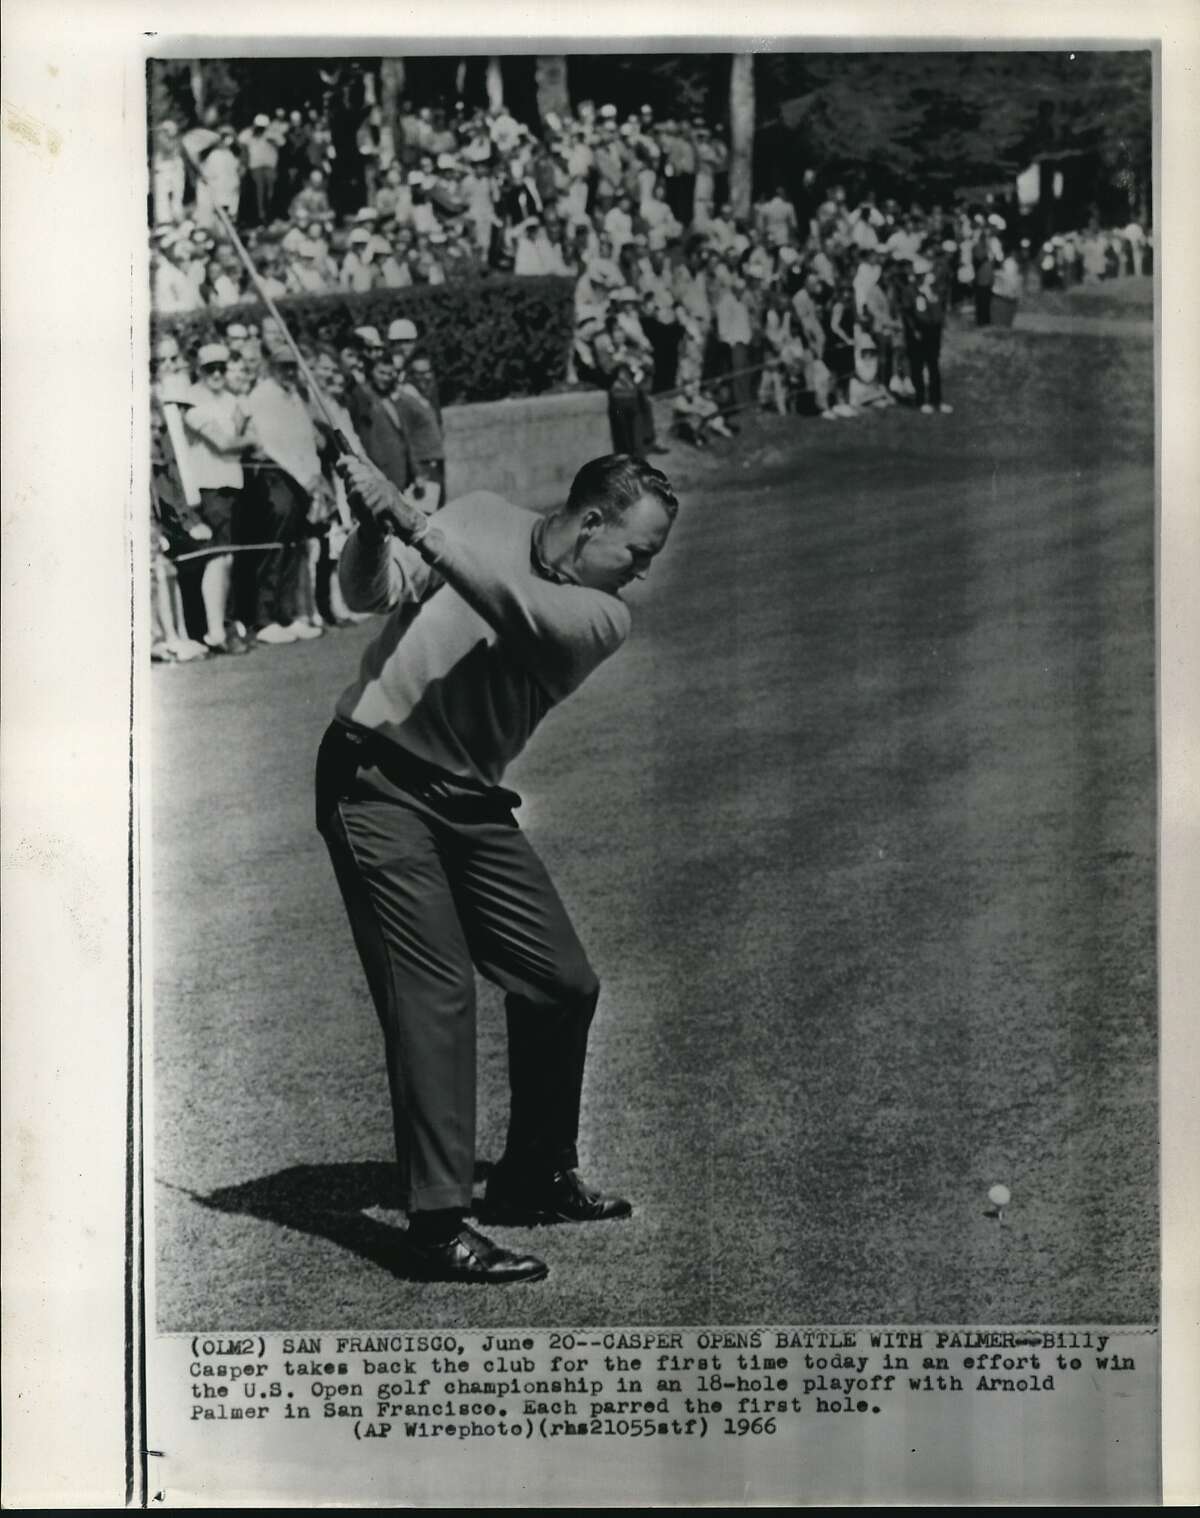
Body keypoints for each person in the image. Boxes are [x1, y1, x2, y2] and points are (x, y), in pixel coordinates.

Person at [317, 451, 678, 1283]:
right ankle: (437, 1225)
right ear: (591, 522)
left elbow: (511, 603)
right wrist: (374, 530)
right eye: (638, 552)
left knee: (561, 982)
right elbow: (369, 593)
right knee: (434, 990)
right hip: (372, 778)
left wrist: (410, 517)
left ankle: (534, 1177)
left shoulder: (600, 617)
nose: (642, 573)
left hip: (468, 800)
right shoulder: (478, 515)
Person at [181, 342, 255, 654]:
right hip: (208, 486)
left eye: (221, 367)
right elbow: (224, 443)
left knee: (228, 557)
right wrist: (253, 439)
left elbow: (239, 430)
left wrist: (247, 433)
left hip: (231, 484)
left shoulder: (232, 399)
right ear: (198, 369)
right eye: (209, 368)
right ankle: (215, 631)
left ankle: (222, 627)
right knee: (218, 556)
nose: (216, 373)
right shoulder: (191, 399)